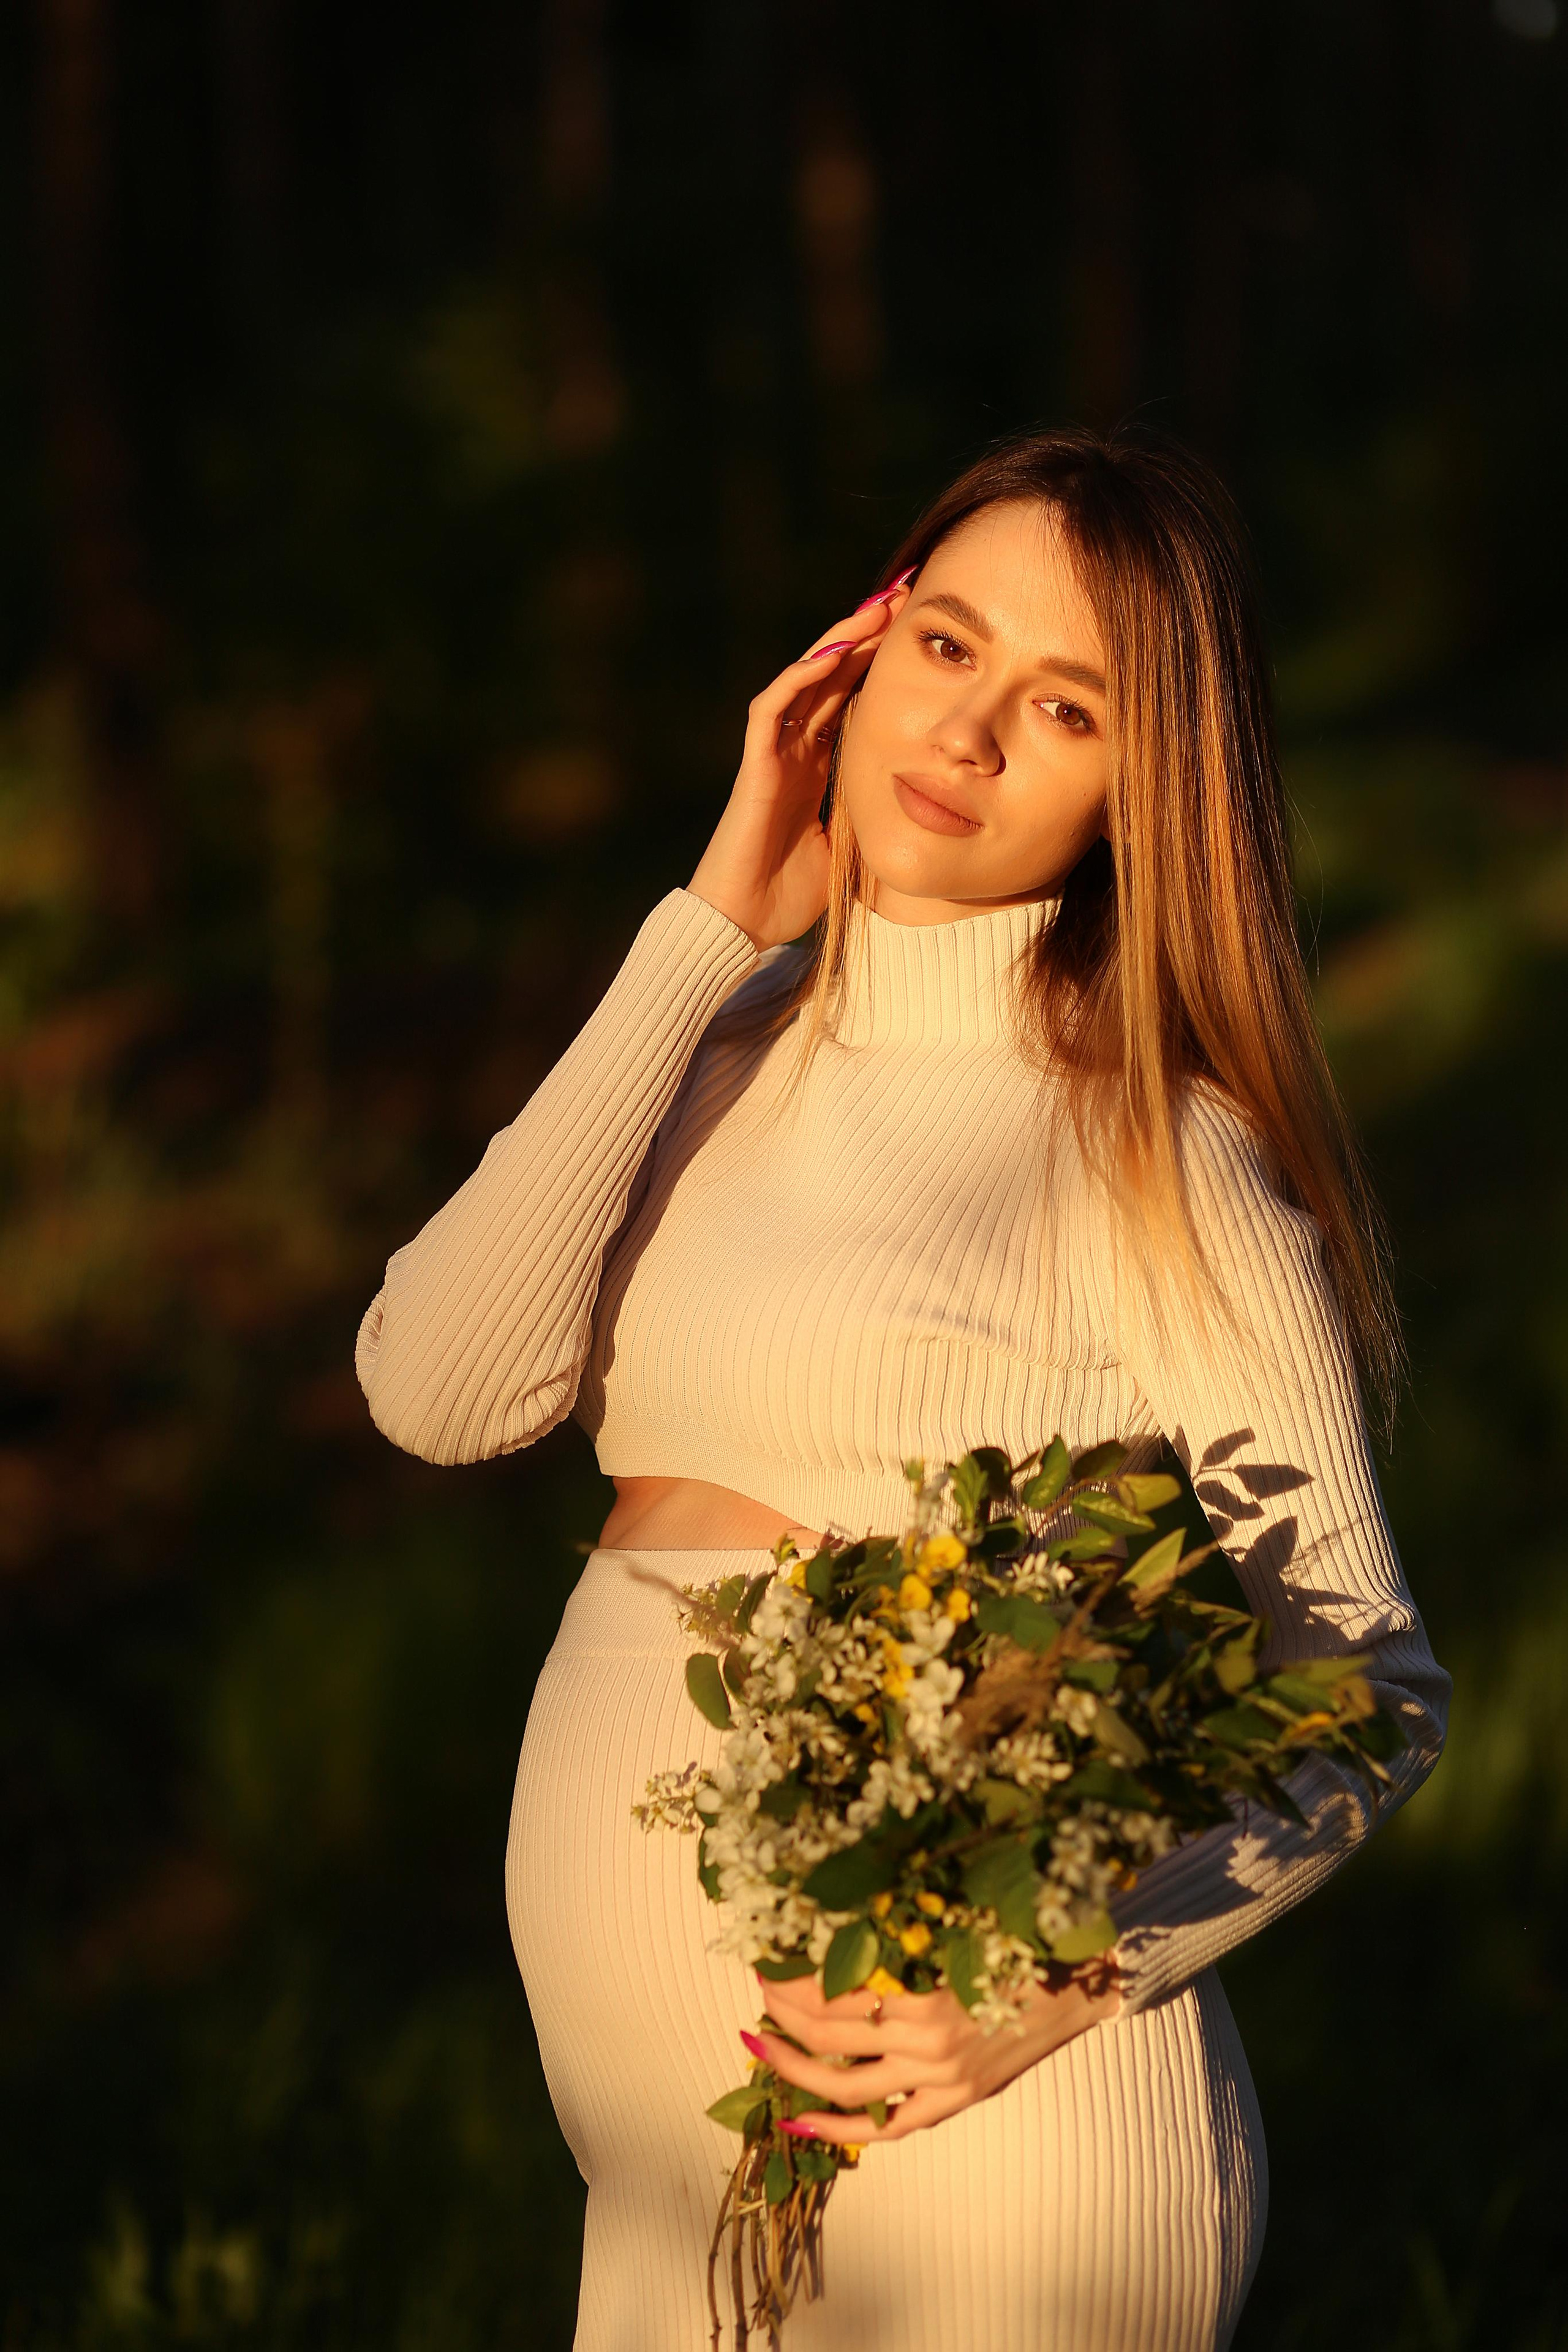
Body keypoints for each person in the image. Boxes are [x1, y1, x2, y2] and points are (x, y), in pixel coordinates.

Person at [355, 426, 1447, 2352]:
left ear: (1141, 794)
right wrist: (708, 924)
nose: (969, 732)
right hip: (667, 2181)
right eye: (947, 646)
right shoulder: (708, 1046)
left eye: (1068, 708)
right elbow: (438, 1390)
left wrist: (1055, 1979)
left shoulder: (1154, 1147)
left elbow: (1372, 1691)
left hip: (1005, 2169)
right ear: (854, 654)